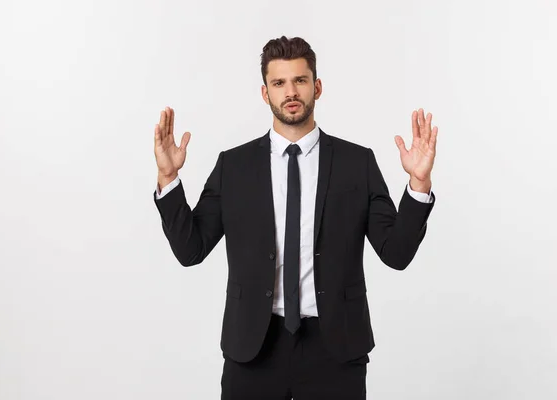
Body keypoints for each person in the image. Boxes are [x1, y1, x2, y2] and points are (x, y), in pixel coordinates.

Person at [153, 36, 438, 400]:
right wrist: (168, 179)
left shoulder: (357, 163)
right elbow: (190, 250)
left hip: (336, 349)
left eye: (300, 81)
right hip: (253, 347)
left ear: (316, 87)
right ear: (264, 93)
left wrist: (418, 182)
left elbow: (396, 254)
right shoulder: (234, 167)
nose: (291, 92)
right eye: (279, 83)